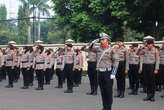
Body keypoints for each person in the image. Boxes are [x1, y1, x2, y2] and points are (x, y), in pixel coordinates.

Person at [88, 32, 119, 110]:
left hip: (108, 73)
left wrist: (113, 72)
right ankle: (104, 107)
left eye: (103, 39)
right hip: (100, 73)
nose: (101, 41)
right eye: (101, 39)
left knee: (108, 91)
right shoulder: (98, 49)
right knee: (102, 91)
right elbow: (89, 49)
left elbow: (116, 61)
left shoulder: (112, 50)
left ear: (107, 41)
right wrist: (92, 43)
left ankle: (108, 107)